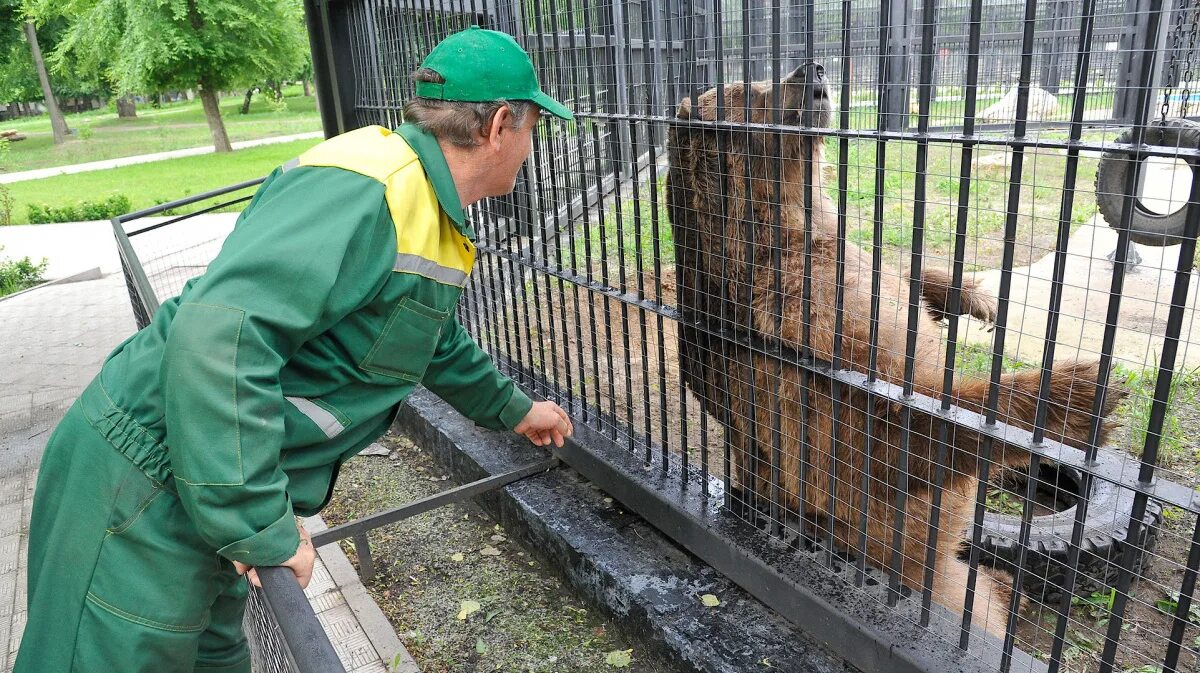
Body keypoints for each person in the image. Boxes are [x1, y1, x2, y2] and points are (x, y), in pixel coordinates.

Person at [14, 26, 574, 673]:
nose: (532, 146)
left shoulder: (427, 208)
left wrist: (515, 408)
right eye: (534, 125)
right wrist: (259, 521)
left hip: (207, 479)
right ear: (501, 124)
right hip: (144, 483)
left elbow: (430, 338)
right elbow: (220, 332)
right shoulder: (372, 188)